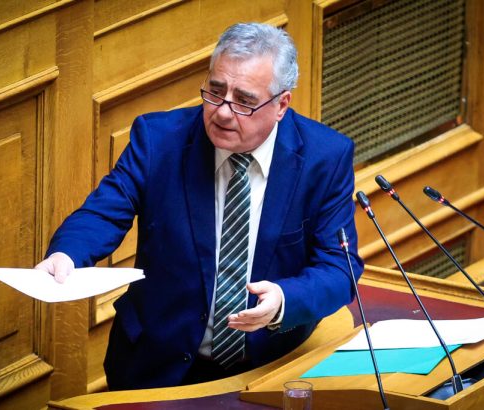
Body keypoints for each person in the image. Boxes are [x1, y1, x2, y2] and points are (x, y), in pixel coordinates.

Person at [35, 22, 363, 390]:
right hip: (155, 367)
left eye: (244, 101)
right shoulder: (158, 140)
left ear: (281, 105)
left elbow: (340, 268)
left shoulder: (324, 158)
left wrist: (285, 300)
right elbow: (104, 211)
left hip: (267, 369)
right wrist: (67, 253)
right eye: (216, 91)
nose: (223, 112)